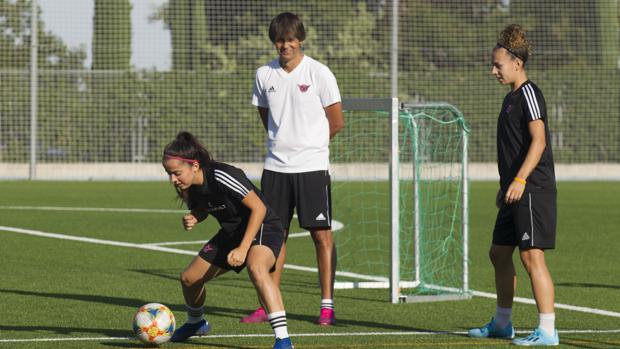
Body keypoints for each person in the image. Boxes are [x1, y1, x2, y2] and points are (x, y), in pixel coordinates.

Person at [242, 12, 345, 326]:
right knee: (274, 236)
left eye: (290, 40)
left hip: (312, 169)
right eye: (279, 40)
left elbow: (337, 122)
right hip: (275, 170)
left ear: (300, 40)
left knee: (321, 236)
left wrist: (308, 145)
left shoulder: (319, 73)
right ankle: (268, 303)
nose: (284, 45)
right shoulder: (264, 74)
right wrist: (282, 142)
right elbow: (266, 117)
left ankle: (326, 305)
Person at [468, 24, 559, 346]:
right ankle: (502, 324)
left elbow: (539, 141)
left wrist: (520, 180)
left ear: (517, 63)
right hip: (513, 190)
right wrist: (506, 185)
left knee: (532, 257)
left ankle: (547, 330)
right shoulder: (511, 98)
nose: (493, 70)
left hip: (532, 188)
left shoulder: (530, 94)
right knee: (498, 253)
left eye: (498, 65)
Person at [162, 131, 294, 349]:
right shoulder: (187, 188)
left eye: (176, 173)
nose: (172, 179)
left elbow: (259, 208)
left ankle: (284, 340)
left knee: (256, 267)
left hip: (264, 226)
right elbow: (204, 207)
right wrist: (196, 216)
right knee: (189, 279)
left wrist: (243, 248)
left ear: (194, 166)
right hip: (233, 232)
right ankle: (196, 323)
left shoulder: (222, 175)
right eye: (168, 174)